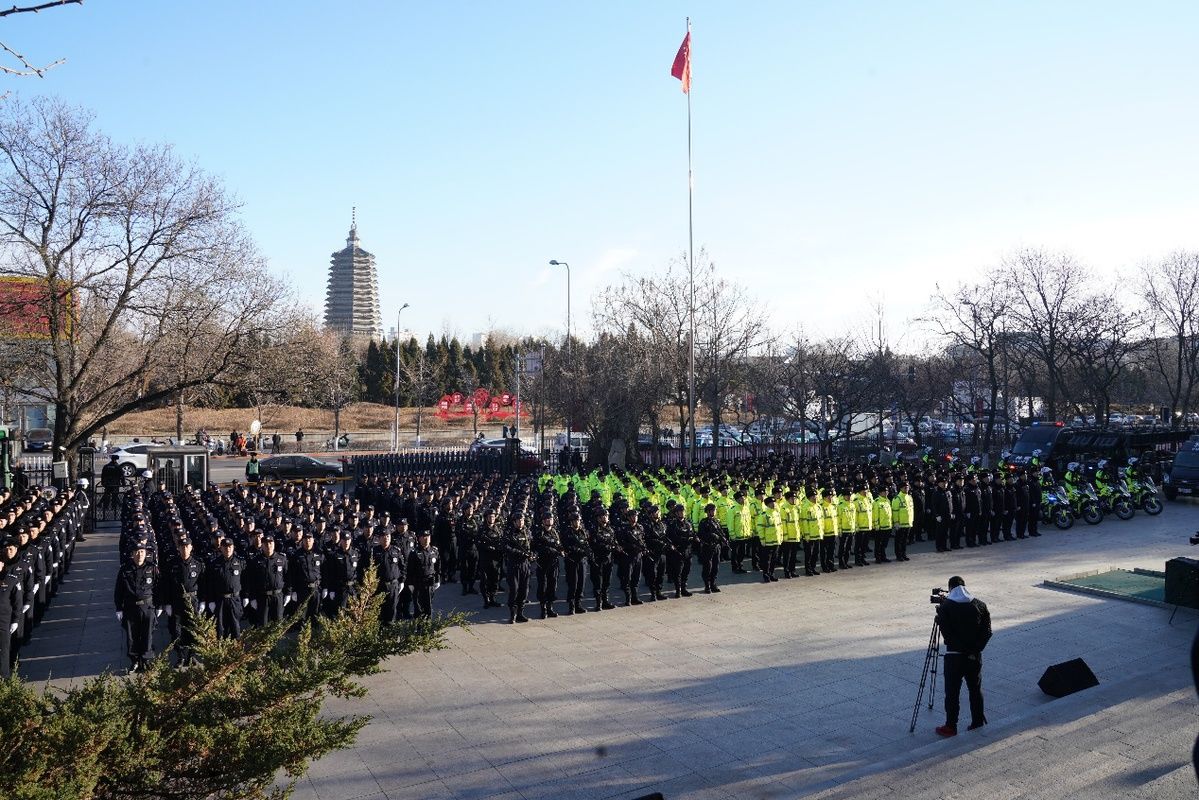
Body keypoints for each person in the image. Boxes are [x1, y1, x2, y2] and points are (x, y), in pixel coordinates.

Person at [935, 575, 992, 737]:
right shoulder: (980, 605)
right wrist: (975, 649)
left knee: (952, 692)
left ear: (951, 589)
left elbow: (947, 634)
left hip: (954, 656)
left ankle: (951, 726)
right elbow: (987, 632)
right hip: (974, 657)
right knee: (975, 689)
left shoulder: (946, 607)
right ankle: (977, 721)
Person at [114, 542, 159, 672]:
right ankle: (134, 661)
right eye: (137, 552)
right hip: (130, 607)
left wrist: (159, 605)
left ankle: (146, 660)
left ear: (146, 554)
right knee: (132, 636)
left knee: (147, 635)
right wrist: (119, 608)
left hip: (147, 606)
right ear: (132, 554)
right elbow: (119, 590)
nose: (140, 555)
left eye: (142, 552)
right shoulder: (125, 569)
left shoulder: (152, 568)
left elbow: (158, 588)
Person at [406, 528, 440, 619]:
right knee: (418, 607)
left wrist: (438, 580)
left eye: (428, 537)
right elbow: (410, 570)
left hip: (429, 583)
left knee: (428, 606)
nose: (426, 539)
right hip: (418, 583)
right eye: (423, 537)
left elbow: (437, 567)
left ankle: (427, 627)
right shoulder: (414, 553)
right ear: (419, 538)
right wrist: (410, 584)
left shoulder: (434, 551)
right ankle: (418, 627)